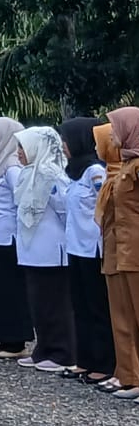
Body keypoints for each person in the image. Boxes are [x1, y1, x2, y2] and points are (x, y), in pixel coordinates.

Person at [13, 126, 76, 373]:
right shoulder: (28, 173)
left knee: (55, 304)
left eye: (22, 147)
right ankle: (44, 349)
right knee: (38, 303)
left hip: (51, 249)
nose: (18, 152)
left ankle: (63, 352)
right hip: (31, 248)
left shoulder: (52, 174)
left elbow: (64, 210)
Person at [59, 117, 114, 384]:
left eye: (66, 140)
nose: (63, 145)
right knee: (79, 306)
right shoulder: (74, 172)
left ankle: (103, 363)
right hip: (75, 247)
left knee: (96, 307)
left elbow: (105, 207)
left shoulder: (95, 171)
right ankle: (85, 360)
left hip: (93, 249)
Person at [0, 117, 34, 360]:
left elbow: (21, 200)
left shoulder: (11, 167)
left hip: (7, 236)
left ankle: (15, 341)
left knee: (10, 289)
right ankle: (0, 337)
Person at [102, 108, 139, 399]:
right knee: (124, 317)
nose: (111, 133)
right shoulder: (125, 164)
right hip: (121, 250)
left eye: (116, 127)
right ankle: (130, 376)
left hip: (135, 250)